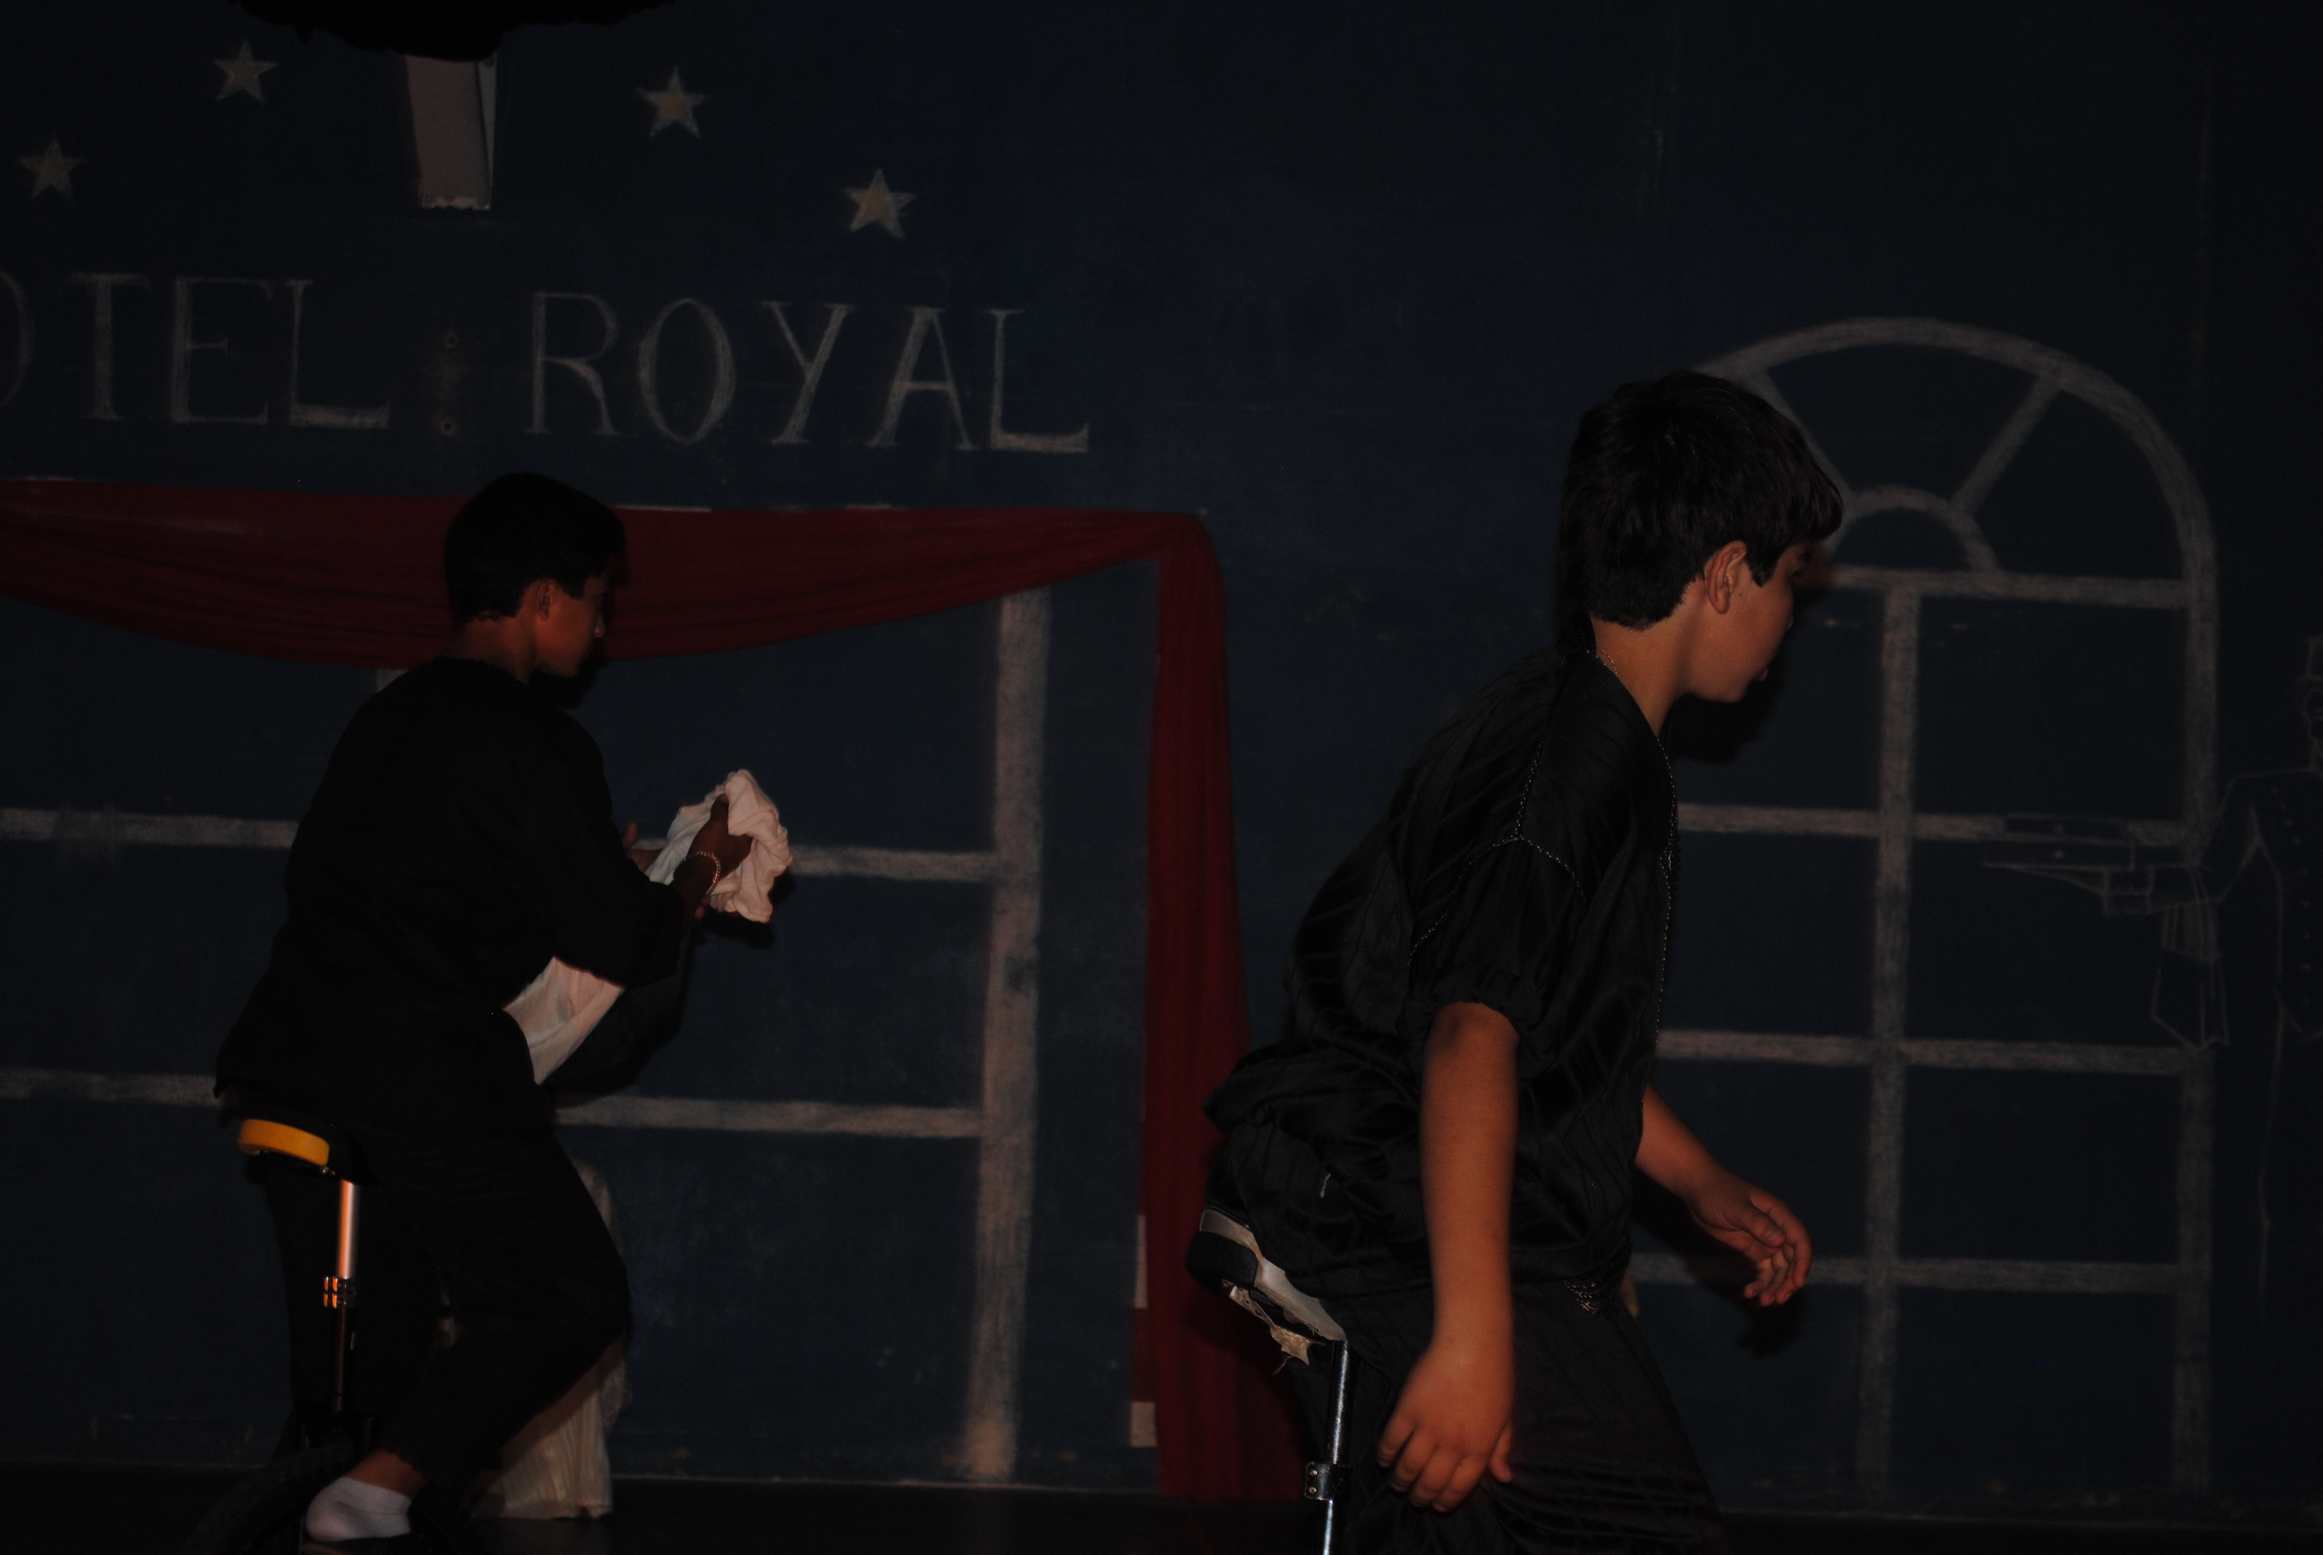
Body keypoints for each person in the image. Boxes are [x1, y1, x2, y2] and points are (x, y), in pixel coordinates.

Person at [1204, 371, 1840, 1553]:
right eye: (1791, 578)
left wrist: (1696, 1179)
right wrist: (1472, 1338)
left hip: (1400, 1201)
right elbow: (1468, 1038)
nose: (1792, 615)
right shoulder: (1573, 765)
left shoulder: (1563, 725)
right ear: (1722, 574)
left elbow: (1544, 1038)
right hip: (1398, 1217)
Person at [214, 472, 755, 1548]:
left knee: (382, 1369)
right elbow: (631, 943)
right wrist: (698, 868)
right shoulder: (536, 739)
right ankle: (369, 1489)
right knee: (569, 1299)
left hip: (286, 1060)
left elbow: (402, 888)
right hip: (418, 1074)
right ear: (543, 597)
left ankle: (347, 1485)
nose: (601, 630)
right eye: (595, 601)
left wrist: (566, 881)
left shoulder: (386, 718)